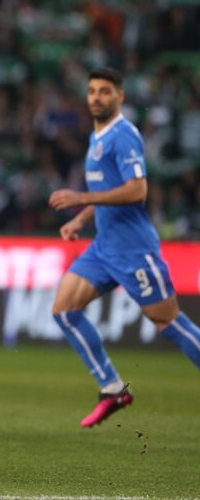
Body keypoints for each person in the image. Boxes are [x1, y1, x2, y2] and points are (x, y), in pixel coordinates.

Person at [49, 67, 200, 428]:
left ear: (120, 96)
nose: (97, 97)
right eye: (92, 91)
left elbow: (137, 190)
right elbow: (110, 189)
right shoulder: (97, 135)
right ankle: (112, 388)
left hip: (134, 249)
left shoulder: (124, 135)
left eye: (105, 91)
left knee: (167, 320)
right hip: (104, 247)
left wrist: (80, 196)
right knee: (64, 309)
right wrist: (82, 218)